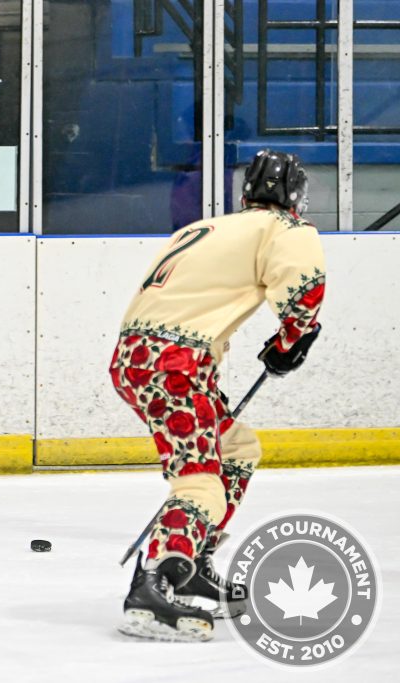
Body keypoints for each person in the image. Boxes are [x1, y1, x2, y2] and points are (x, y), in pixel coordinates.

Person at [109, 149, 325, 641]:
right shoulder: (287, 229)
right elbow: (303, 294)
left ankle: (192, 563)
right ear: (295, 196)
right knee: (200, 479)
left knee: (236, 448)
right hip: (175, 366)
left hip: (137, 359)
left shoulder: (202, 229)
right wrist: (289, 344)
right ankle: (156, 580)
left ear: (246, 194)